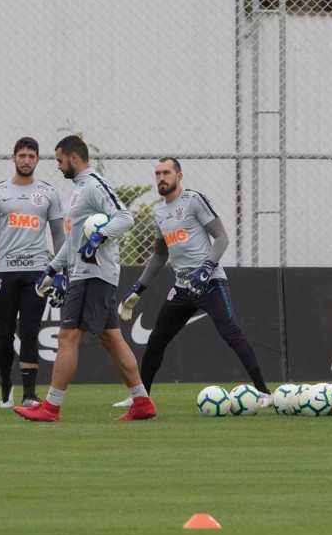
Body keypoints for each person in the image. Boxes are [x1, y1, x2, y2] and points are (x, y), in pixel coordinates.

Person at [14, 135, 157, 422]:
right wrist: (53, 268)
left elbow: (125, 217)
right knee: (111, 338)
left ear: (73, 157)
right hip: (88, 274)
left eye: (59, 160)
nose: (57, 166)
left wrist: (99, 236)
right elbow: (74, 239)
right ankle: (142, 401)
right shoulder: (79, 190)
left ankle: (51, 407)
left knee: (66, 337)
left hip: (92, 275)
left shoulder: (93, 184)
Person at [114, 158, 273, 408]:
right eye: (157, 173)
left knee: (231, 333)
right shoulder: (159, 212)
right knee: (156, 340)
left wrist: (206, 267)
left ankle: (264, 392)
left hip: (209, 282)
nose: (161, 178)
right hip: (182, 288)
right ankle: (140, 397)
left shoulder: (194, 200)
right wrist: (139, 287)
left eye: (166, 173)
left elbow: (221, 237)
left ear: (179, 176)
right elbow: (159, 255)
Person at [0, 137, 65, 408]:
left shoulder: (49, 193)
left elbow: (60, 235)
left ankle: (29, 394)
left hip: (37, 273)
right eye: (22, 155)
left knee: (29, 331)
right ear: (13, 158)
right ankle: (6, 383)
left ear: (38, 160)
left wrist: (60, 274)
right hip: (4, 272)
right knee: (3, 334)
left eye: (31, 156)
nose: (26, 160)